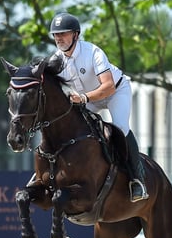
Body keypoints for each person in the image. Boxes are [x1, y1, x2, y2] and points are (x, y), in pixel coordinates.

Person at [48, 11, 148, 202]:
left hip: (116, 92)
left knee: (119, 127)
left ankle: (137, 179)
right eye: (56, 34)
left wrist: (84, 98)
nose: (58, 38)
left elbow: (108, 86)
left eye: (63, 33)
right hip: (89, 99)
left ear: (76, 35)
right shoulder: (56, 60)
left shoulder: (93, 52)